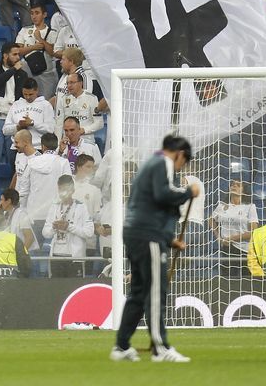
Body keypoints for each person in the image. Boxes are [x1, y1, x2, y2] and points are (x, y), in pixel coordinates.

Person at [112, 135, 201, 363]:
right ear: (180, 154)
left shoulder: (149, 164)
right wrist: (188, 192)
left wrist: (170, 240)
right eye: (184, 162)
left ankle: (121, 347)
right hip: (147, 235)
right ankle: (160, 348)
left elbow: (150, 205)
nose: (181, 167)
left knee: (139, 293)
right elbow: (163, 196)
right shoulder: (164, 162)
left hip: (135, 233)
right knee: (155, 291)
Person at [42, 175, 95, 277]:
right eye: (61, 189)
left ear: (73, 190)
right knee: (57, 290)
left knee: (75, 289)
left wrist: (69, 227)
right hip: (56, 256)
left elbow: (89, 232)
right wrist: (54, 227)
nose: (64, 193)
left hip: (75, 257)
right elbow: (45, 233)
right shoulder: (54, 207)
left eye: (67, 189)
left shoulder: (81, 207)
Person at [210, 180, 259, 277]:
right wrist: (218, 237)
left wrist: (232, 238)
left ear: (244, 191)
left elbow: (253, 232)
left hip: (244, 250)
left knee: (247, 281)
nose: (234, 186)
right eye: (232, 184)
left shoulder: (249, 207)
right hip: (227, 248)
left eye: (238, 185)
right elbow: (211, 220)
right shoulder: (222, 205)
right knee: (228, 280)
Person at [18, 132, 72, 220]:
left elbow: (24, 190)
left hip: (33, 213)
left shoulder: (32, 162)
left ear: (42, 146)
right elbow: (68, 189)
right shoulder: (63, 162)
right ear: (56, 145)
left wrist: (23, 210)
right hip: (55, 214)